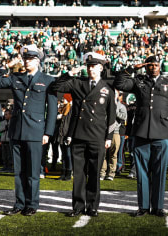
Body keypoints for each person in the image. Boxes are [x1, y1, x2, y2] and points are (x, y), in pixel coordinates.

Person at [0, 44, 58, 216]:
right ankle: (19, 203)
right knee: (18, 172)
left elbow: (53, 109)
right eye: (25, 58)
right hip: (17, 130)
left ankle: (32, 204)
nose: (27, 62)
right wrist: (6, 66)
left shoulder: (48, 80)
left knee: (33, 172)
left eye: (31, 59)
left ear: (38, 61)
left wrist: (48, 132)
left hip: (36, 131)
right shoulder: (15, 77)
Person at [114, 55, 168, 217]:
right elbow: (119, 83)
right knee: (142, 172)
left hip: (161, 133)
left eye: (155, 64)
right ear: (146, 66)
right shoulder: (139, 81)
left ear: (160, 66)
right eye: (150, 65)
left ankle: (158, 207)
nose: (153, 67)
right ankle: (143, 207)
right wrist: (132, 68)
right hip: (141, 132)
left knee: (159, 172)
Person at [50, 52, 116, 217]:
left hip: (97, 137)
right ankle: (78, 206)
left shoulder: (107, 89)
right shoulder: (77, 83)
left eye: (93, 66)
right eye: (88, 66)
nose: (90, 69)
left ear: (100, 68)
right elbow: (55, 87)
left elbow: (112, 116)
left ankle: (92, 206)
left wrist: (108, 137)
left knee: (94, 173)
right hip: (78, 135)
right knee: (78, 174)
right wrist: (69, 73)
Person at [100, 90, 127, 181]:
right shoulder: (104, 104)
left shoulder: (121, 106)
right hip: (103, 132)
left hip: (115, 132)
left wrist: (114, 111)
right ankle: (102, 173)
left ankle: (111, 173)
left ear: (118, 95)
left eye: (115, 94)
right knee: (102, 153)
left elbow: (124, 117)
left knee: (113, 154)